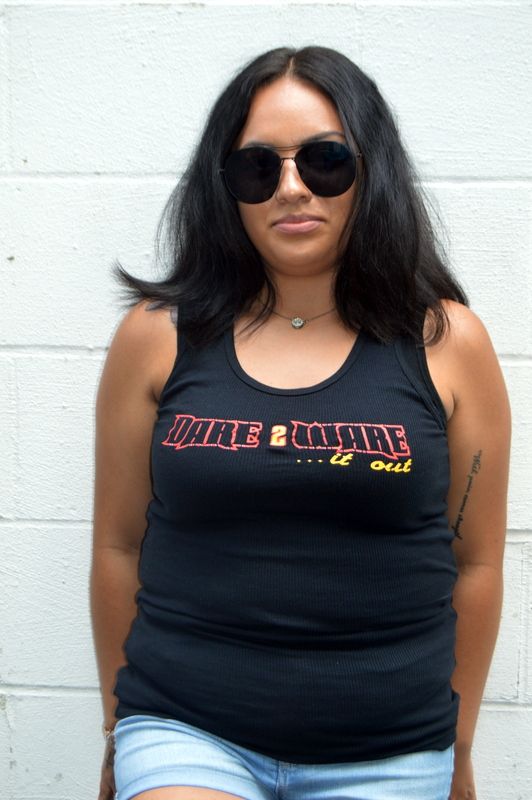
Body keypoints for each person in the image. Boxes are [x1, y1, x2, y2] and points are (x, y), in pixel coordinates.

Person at [90, 45, 511, 800]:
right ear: (225, 188)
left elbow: (476, 562)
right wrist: (119, 730)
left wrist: (461, 746)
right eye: (258, 168)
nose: (291, 188)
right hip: (187, 728)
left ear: (371, 170)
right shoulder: (157, 337)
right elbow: (118, 545)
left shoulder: (448, 344)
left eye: (324, 161)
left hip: (389, 746)